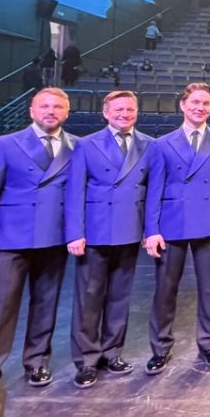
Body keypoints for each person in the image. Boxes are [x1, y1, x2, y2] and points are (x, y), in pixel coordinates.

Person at [0, 87, 76, 386]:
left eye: (57, 107)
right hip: (13, 237)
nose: (51, 111)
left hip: (54, 237)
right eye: (44, 106)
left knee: (46, 303)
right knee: (1, 304)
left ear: (67, 112)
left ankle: (37, 362)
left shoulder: (77, 146)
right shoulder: (6, 144)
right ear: (32, 111)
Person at [143, 83, 210, 374]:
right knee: (165, 290)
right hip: (171, 224)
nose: (200, 107)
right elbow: (154, 190)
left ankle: (208, 344)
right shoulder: (162, 144)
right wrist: (151, 230)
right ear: (183, 106)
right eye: (195, 102)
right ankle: (160, 348)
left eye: (205, 103)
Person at [63, 90, 152, 388]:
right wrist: (75, 232)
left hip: (129, 230)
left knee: (119, 296)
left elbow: (152, 192)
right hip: (95, 232)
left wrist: (149, 230)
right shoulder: (86, 144)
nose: (124, 114)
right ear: (105, 112)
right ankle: (87, 360)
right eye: (118, 109)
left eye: (130, 109)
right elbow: (75, 191)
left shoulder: (148, 145)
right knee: (89, 298)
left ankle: (112, 352)